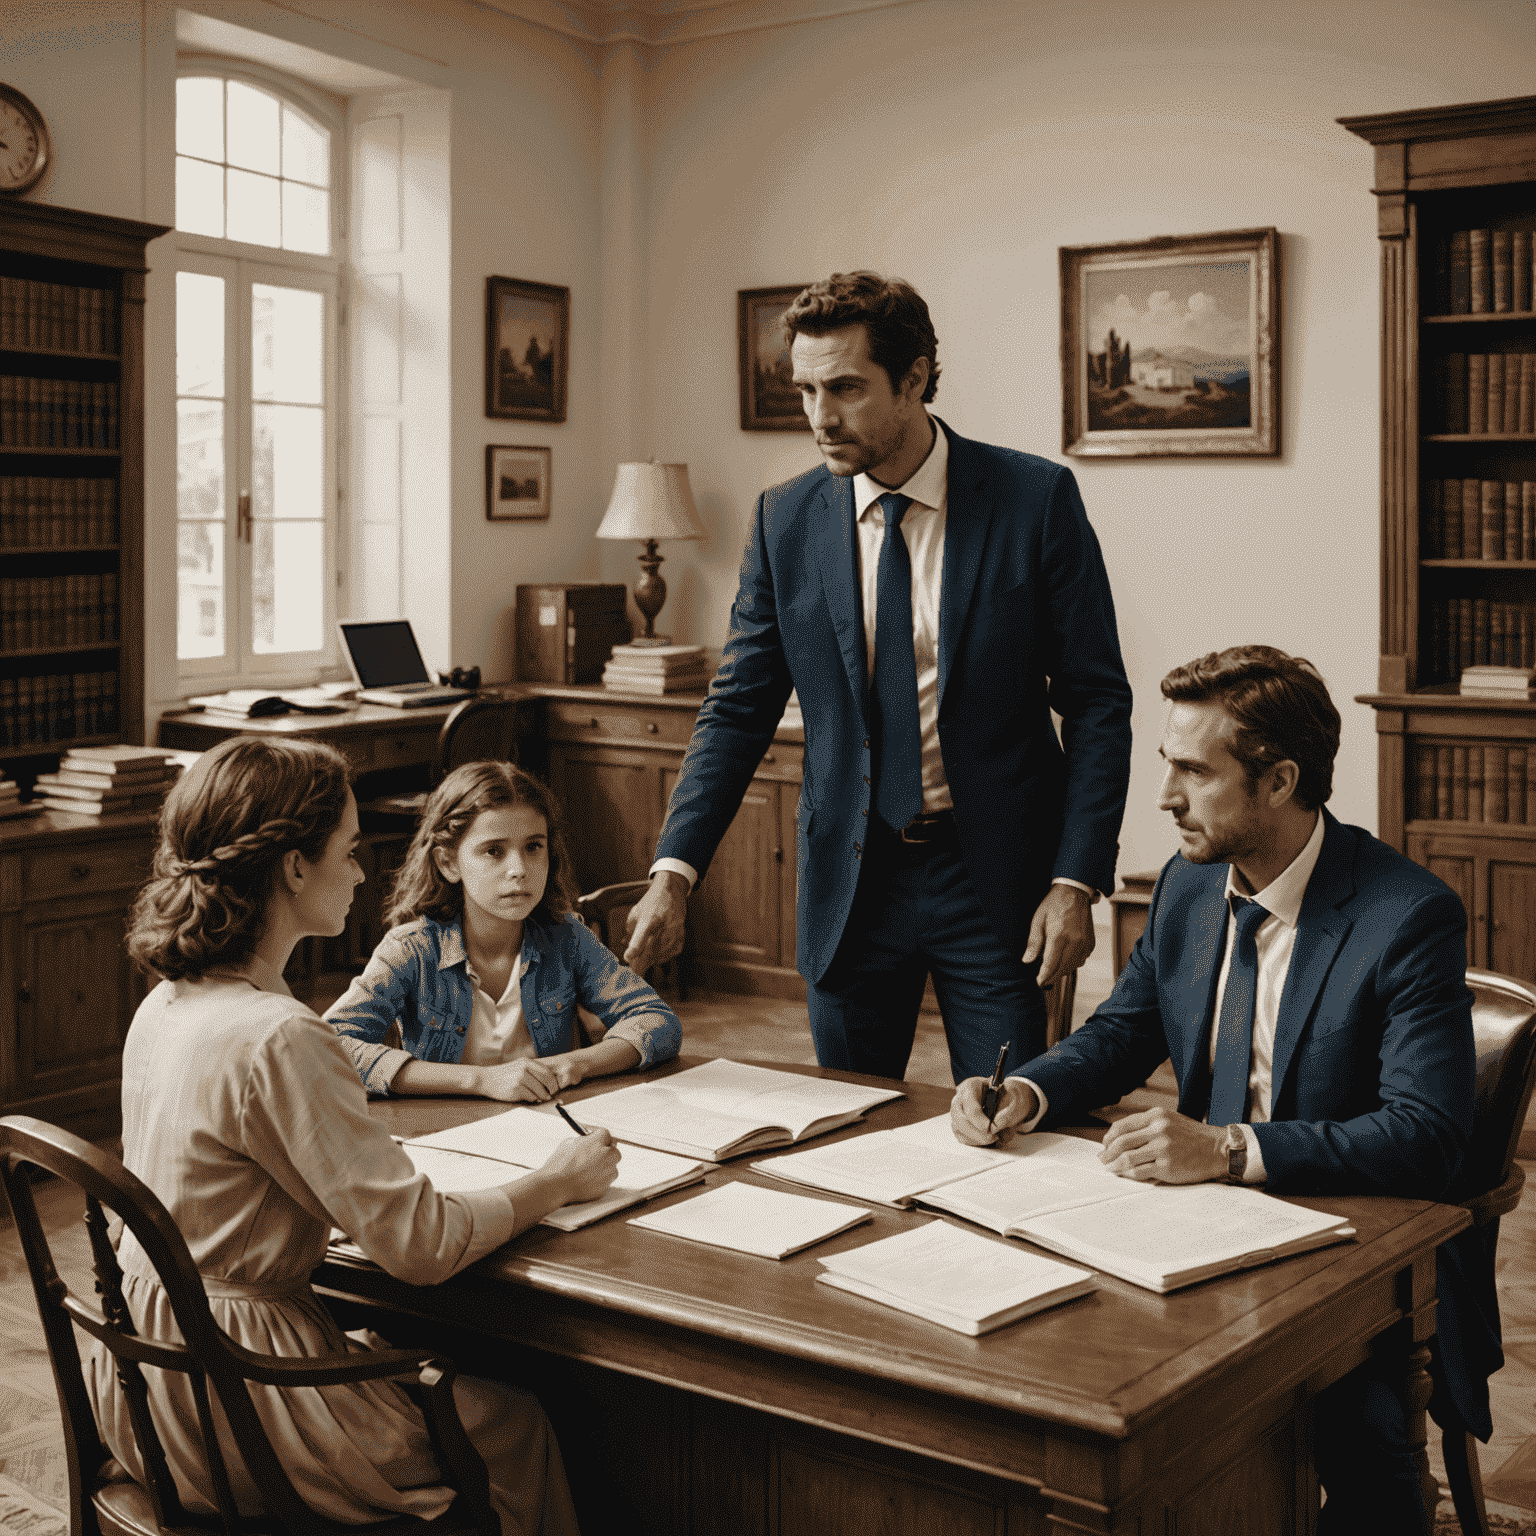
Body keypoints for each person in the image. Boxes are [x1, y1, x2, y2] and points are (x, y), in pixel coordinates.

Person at [950, 645, 1495, 1535]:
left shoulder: (1407, 916)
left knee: (1362, 1436)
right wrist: (1025, 1094)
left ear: (1279, 780)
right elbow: (1125, 1033)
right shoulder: (1188, 883)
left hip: (1357, 1255)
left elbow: (1428, 1135)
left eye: (1195, 773)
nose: (1165, 798)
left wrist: (1230, 1149)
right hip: (1199, 1230)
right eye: (1169, 766)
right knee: (1065, 1371)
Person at [90, 735, 620, 1535]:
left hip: (145, 1382)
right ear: (294, 868)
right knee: (517, 1425)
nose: (364, 870)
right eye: (347, 849)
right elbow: (421, 1244)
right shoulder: (280, 1036)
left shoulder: (165, 1004)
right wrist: (559, 1178)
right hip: (245, 1402)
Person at [624, 271, 1132, 1082]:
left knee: (1009, 1124)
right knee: (850, 1131)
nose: (821, 417)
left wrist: (1076, 879)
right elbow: (737, 709)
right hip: (850, 885)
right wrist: (675, 871)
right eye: (806, 390)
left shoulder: (1034, 500)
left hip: (994, 884)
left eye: (847, 388)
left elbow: (1098, 703)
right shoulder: (783, 519)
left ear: (916, 378)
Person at [326, 761, 681, 1100]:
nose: (519, 869)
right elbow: (330, 1047)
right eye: (494, 851)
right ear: (448, 863)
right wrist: (479, 1080)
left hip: (548, 1128)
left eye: (533, 847)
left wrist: (570, 1065)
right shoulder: (410, 949)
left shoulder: (568, 939)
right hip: (445, 1136)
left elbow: (657, 1021)